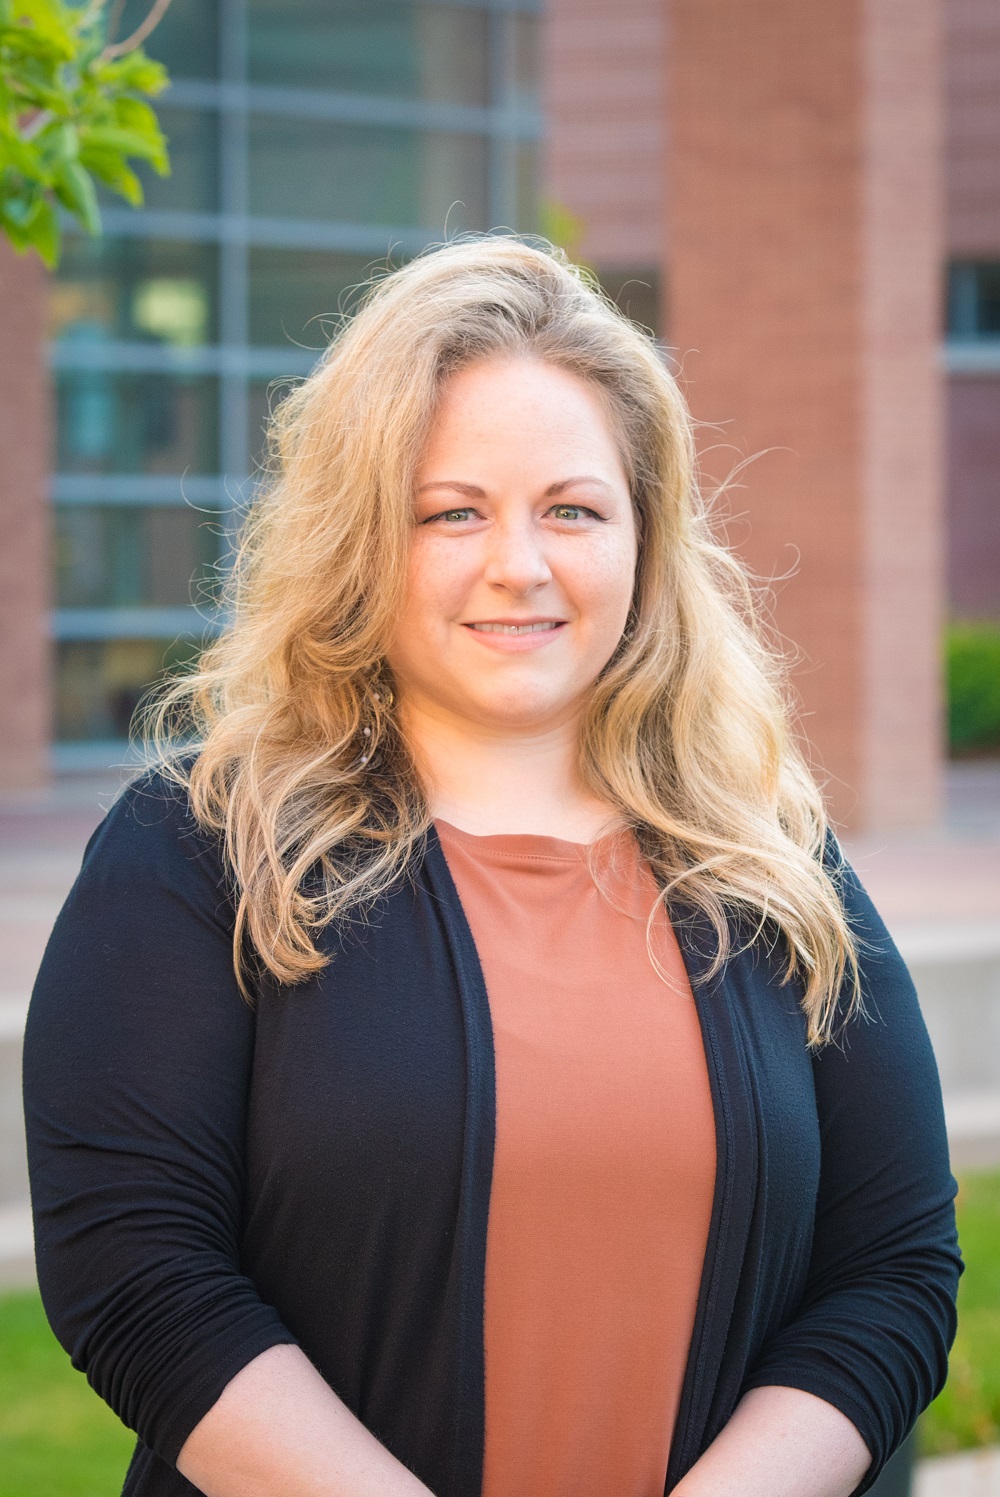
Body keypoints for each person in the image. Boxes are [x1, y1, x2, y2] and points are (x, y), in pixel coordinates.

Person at [23, 237, 961, 1497]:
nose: (518, 565)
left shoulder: (768, 861)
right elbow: (135, 1272)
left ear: (644, 538)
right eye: (451, 512)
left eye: (571, 509)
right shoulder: (196, 851)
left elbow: (894, 1265)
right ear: (362, 537)